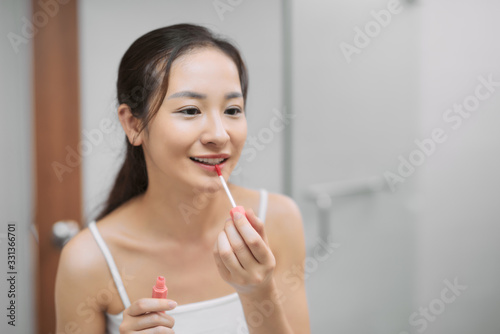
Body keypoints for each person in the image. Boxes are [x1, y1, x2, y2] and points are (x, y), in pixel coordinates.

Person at [55, 23, 310, 333]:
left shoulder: (280, 220)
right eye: (190, 110)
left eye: (232, 109)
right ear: (134, 124)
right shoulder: (87, 260)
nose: (219, 134)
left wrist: (258, 293)